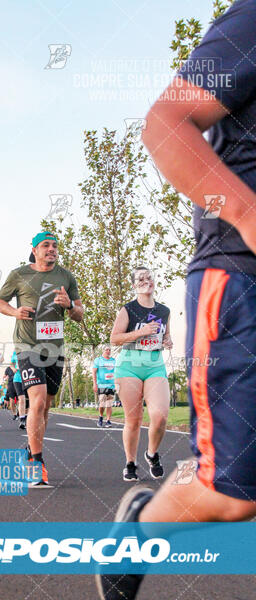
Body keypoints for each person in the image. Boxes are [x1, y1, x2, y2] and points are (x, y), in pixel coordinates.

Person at [97, 3, 256, 598]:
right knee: (231, 496)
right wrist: (245, 211)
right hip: (242, 279)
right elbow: (165, 123)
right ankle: (135, 533)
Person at [0, 231, 83, 486]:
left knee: (46, 406)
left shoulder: (66, 276)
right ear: (34, 249)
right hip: (28, 345)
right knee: (38, 399)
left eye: (55, 245)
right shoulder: (19, 274)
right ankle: (36, 462)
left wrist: (69, 305)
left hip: (55, 348)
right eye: (46, 245)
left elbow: (79, 314)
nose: (51, 249)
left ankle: (30, 447)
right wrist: (15, 311)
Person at [110, 267, 172, 482]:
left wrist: (167, 341)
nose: (146, 281)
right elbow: (115, 339)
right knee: (133, 420)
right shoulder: (128, 309)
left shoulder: (165, 311)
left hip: (155, 365)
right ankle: (130, 462)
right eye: (140, 279)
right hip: (129, 365)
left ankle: (152, 454)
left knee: (160, 415)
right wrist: (141, 332)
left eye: (149, 277)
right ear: (134, 285)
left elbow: (166, 336)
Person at [92, 346, 116, 428]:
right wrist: (94, 384)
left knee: (109, 404)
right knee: (102, 403)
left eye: (109, 350)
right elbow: (94, 372)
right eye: (106, 350)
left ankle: (108, 421)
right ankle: (101, 417)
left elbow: (117, 372)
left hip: (111, 385)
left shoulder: (114, 361)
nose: (108, 351)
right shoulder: (98, 360)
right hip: (101, 385)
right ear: (103, 351)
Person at [11, 349, 27, 430]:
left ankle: (26, 417)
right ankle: (22, 420)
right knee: (22, 399)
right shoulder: (15, 352)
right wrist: (13, 368)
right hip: (17, 379)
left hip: (29, 378)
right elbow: (11, 363)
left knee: (28, 401)